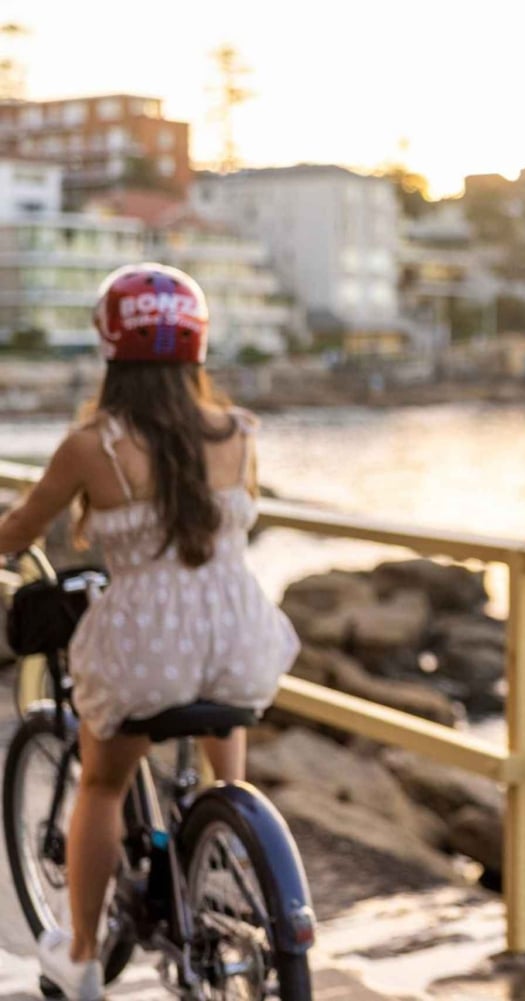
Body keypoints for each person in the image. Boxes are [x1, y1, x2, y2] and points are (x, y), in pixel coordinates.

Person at [0, 263, 300, 1001]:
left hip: (144, 645)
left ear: (110, 345)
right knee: (224, 752)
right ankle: (226, 839)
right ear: (197, 345)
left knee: (102, 784)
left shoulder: (93, 444)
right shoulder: (236, 432)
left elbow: (22, 529)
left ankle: (79, 956)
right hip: (234, 634)